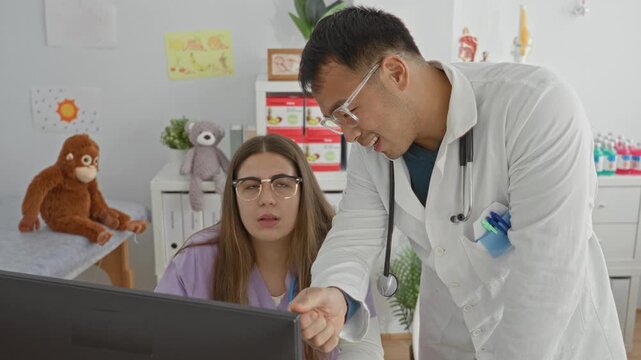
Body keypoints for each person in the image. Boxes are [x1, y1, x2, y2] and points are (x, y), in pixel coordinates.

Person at [288, 6, 626, 360]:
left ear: (394, 72)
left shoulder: (534, 108)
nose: (349, 135)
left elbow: (546, 278)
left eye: (347, 113)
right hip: (452, 337)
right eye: (336, 121)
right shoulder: (372, 150)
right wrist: (334, 290)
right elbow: (353, 234)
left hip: (555, 344)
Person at [155, 134, 384, 360]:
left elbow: (363, 348)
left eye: (282, 184)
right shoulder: (195, 259)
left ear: (303, 192)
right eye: (251, 186)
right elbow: (160, 344)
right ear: (234, 197)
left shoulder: (339, 254)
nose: (266, 199)